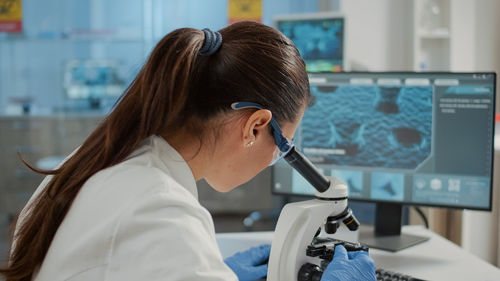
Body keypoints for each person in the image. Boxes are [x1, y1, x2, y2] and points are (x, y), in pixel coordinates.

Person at [0, 21, 375, 281]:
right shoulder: (162, 214)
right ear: (255, 126)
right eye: (283, 147)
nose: (276, 158)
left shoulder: (95, 160)